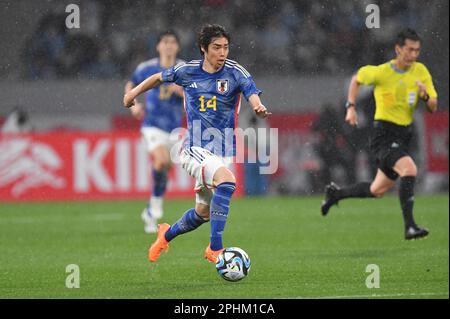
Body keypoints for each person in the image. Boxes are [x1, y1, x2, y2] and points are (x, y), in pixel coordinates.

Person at [123, 24, 270, 263]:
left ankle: (165, 235)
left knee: (203, 214)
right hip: (194, 148)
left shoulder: (235, 71)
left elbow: (250, 90)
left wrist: (256, 105)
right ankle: (215, 249)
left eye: (225, 47)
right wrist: (132, 94)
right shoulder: (187, 71)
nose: (222, 53)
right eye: (216, 48)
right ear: (203, 48)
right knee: (227, 181)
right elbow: (158, 78)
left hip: (224, 151)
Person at [321, 28, 438, 240]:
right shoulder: (382, 72)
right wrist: (351, 107)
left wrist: (425, 95)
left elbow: (432, 107)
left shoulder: (421, 72)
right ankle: (410, 227)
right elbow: (356, 79)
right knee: (409, 169)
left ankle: (336, 194)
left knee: (377, 190)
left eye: (417, 50)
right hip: (384, 135)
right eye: (410, 50)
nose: (414, 55)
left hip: (404, 136)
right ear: (398, 49)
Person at [124, 31, 184, 233]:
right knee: (160, 161)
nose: (168, 46)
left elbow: (198, 93)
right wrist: (134, 106)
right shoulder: (147, 68)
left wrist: (183, 92)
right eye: (165, 42)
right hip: (152, 124)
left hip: (176, 129)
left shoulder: (185, 69)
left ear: (178, 47)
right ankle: (155, 209)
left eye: (172, 42)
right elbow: (131, 85)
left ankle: (150, 209)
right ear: (158, 46)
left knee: (165, 166)